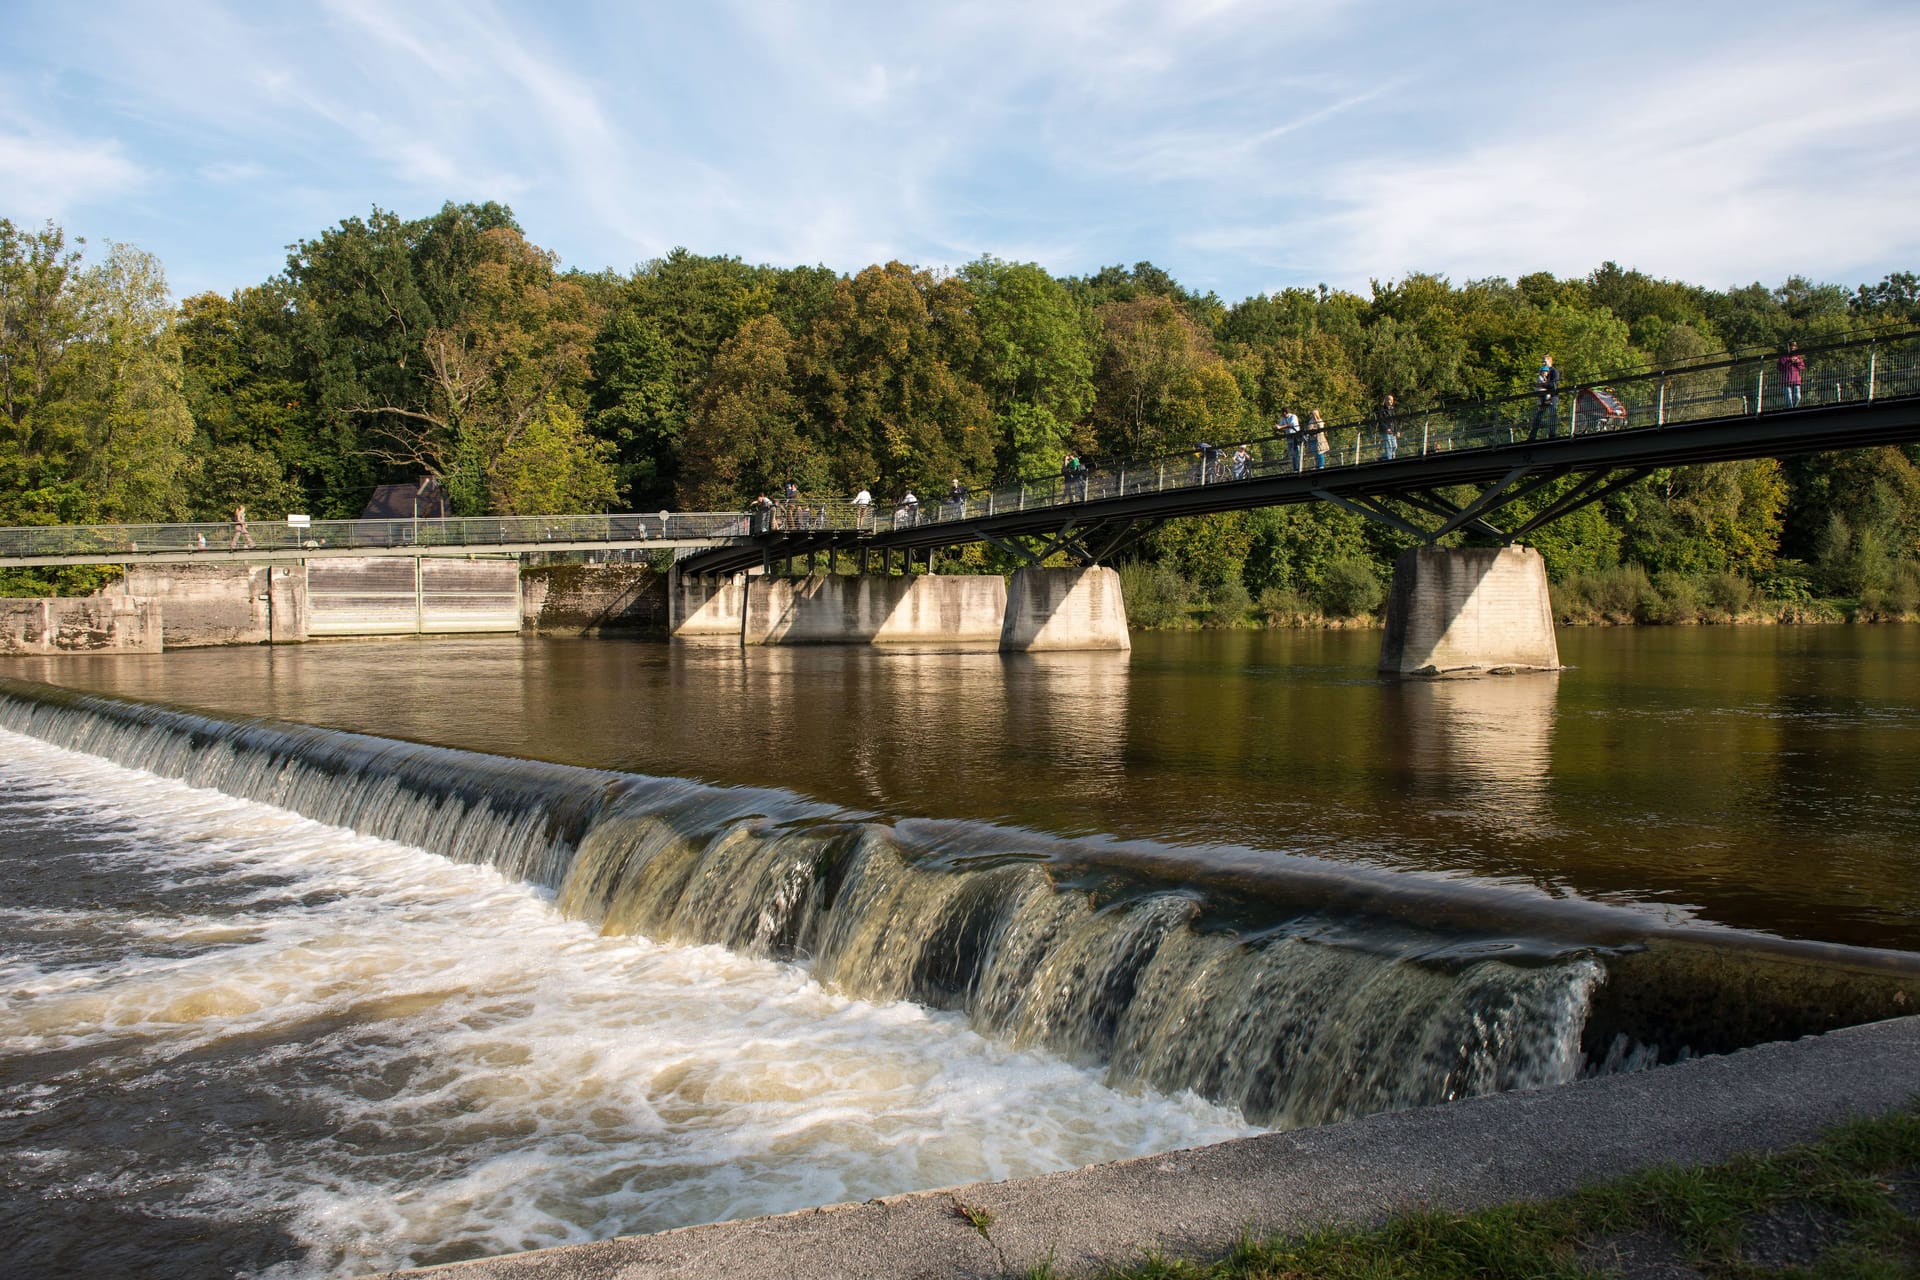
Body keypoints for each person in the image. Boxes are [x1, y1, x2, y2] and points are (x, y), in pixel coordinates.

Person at [1527, 355, 1559, 441]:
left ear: (1549, 361)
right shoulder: (1542, 371)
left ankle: (1552, 435)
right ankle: (1532, 436)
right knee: (1538, 416)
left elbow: (1554, 385)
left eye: (1544, 361)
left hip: (1552, 396)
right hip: (1543, 397)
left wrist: (1542, 385)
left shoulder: (1554, 371)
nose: (1543, 363)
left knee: (1553, 414)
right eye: (1542, 361)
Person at [1778, 340, 1805, 408]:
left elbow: (1802, 367)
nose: (1792, 349)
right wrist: (1789, 361)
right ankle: (1790, 409)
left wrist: (1797, 362)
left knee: (1798, 397)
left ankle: (1793, 408)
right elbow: (1779, 367)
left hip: (1796, 380)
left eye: (1794, 347)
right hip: (1786, 381)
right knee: (1789, 400)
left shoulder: (1798, 356)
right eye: (1791, 347)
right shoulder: (1783, 357)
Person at [1376, 395, 1399, 460]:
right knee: (1389, 446)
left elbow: (1395, 421)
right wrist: (1386, 428)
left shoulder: (1392, 409)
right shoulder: (1382, 409)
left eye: (1392, 400)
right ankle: (1390, 459)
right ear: (1385, 400)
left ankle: (1383, 457)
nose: (1390, 401)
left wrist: (1397, 431)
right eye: (1389, 400)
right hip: (1386, 431)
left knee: (1394, 446)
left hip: (1392, 431)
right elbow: (1380, 420)